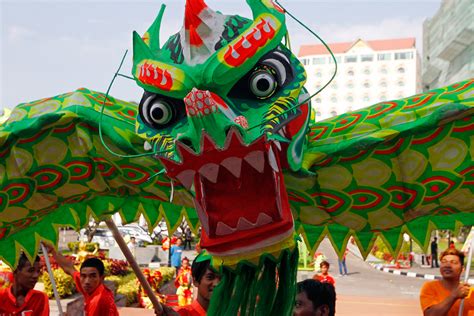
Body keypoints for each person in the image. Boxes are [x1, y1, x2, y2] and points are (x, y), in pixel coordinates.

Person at [47, 245, 119, 316]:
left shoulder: (98, 301)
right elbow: (69, 268)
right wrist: (52, 250)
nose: (87, 281)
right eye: (83, 276)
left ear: (101, 278)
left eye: (93, 276)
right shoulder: (90, 286)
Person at [156, 254, 221, 316]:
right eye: (210, 277)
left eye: (222, 279)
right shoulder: (180, 313)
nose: (217, 283)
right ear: (195, 281)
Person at [420, 248, 474, 316]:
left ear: (462, 269)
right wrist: (454, 296)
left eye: (453, 262)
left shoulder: (470, 293)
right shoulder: (430, 287)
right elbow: (430, 314)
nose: (447, 265)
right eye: (444, 262)